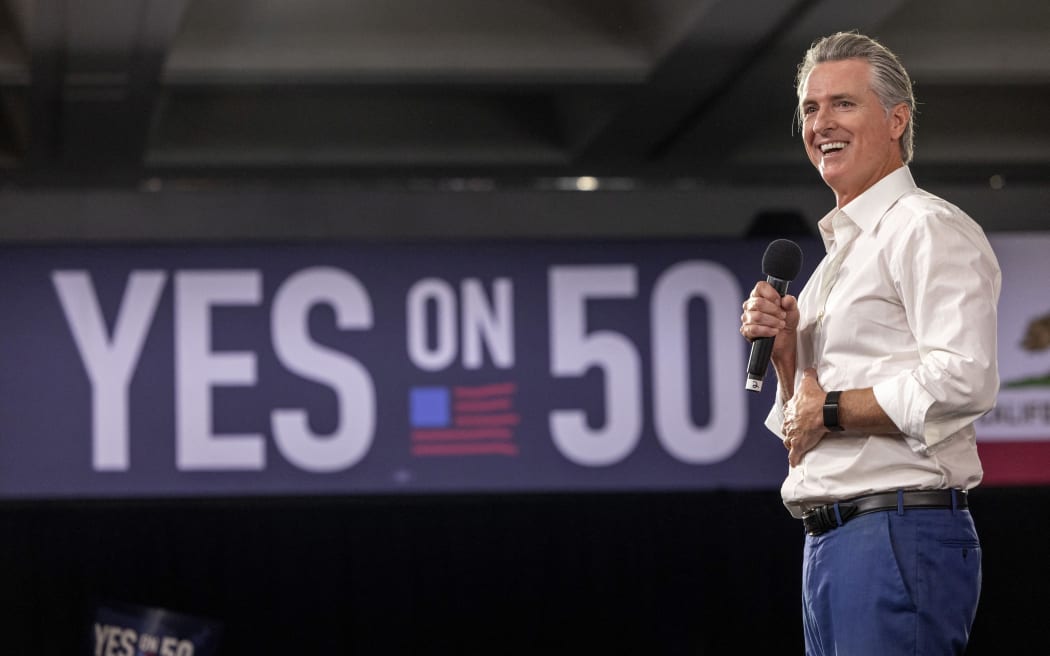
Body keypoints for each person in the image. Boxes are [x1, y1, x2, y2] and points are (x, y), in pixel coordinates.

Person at [739, 32, 1001, 655]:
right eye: (809, 108)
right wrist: (786, 363)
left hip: (895, 532)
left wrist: (830, 409)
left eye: (843, 104)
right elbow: (802, 432)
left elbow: (964, 379)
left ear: (897, 120)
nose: (821, 123)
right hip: (831, 541)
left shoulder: (926, 227)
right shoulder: (836, 260)